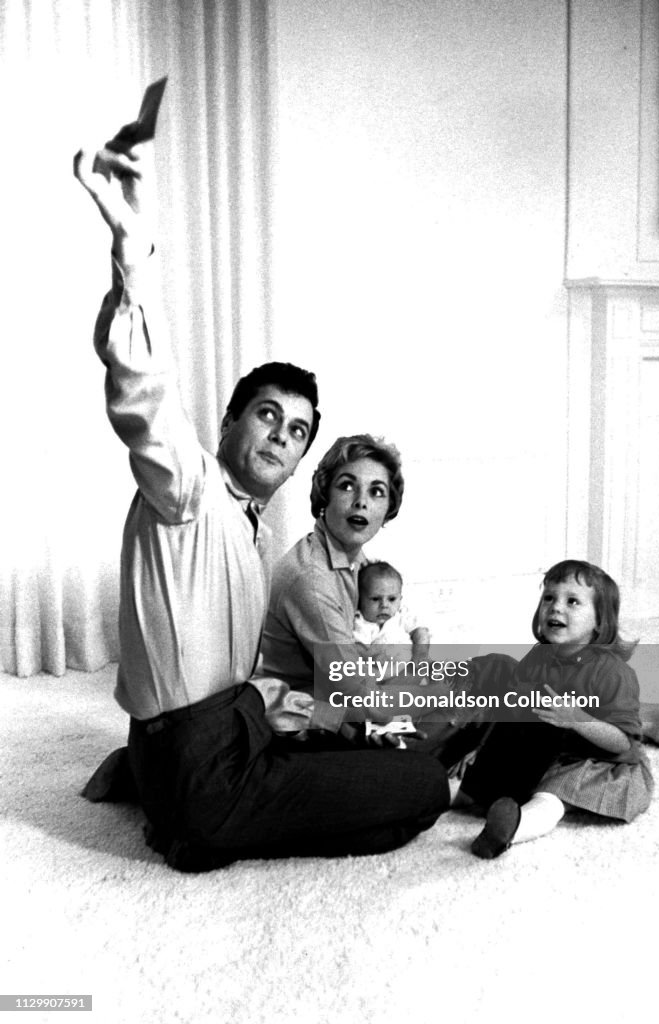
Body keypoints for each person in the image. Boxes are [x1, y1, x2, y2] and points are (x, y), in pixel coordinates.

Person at [73, 118, 449, 870]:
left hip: (200, 737)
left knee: (351, 751)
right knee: (423, 787)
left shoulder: (255, 534)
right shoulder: (187, 491)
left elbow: (251, 684)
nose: (280, 436)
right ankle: (194, 826)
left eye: (297, 429)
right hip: (204, 770)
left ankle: (165, 794)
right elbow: (142, 393)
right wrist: (134, 255)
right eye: (267, 416)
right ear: (229, 423)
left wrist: (313, 715)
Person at [260, 434, 510, 766]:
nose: (361, 502)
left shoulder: (356, 563)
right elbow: (362, 697)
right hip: (328, 726)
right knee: (474, 704)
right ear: (324, 496)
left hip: (362, 698)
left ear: (388, 508)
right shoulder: (312, 580)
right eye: (347, 486)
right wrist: (437, 690)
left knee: (495, 670)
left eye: (377, 492)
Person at [462, 560, 655, 859]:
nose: (555, 608)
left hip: (598, 759)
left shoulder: (613, 673)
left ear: (600, 622)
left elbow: (623, 742)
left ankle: (511, 829)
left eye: (572, 601)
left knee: (553, 793)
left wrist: (578, 719)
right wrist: (481, 749)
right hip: (550, 748)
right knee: (495, 767)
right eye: (549, 598)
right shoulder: (540, 656)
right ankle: (451, 794)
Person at [353, 561, 431, 665]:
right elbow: (359, 651)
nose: (384, 605)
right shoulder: (361, 623)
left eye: (392, 599)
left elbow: (421, 632)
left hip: (413, 662)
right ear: (360, 600)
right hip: (384, 673)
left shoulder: (401, 614)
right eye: (375, 599)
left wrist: (421, 654)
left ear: (400, 599)